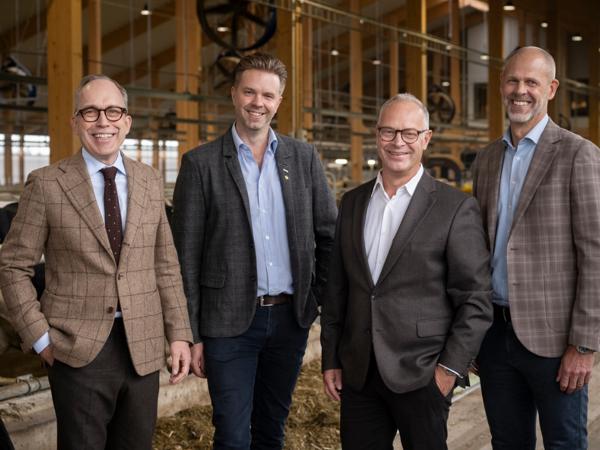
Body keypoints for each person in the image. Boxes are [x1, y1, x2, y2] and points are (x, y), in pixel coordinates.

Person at [0, 74, 192, 450]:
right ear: (75, 122)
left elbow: (166, 265)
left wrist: (180, 334)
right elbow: (13, 266)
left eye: (112, 111)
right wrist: (39, 337)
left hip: (143, 345)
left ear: (127, 121)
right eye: (90, 112)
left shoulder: (149, 181)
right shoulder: (47, 184)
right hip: (75, 349)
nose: (103, 121)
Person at [171, 52, 337, 450]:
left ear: (279, 101)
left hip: (290, 320)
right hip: (227, 324)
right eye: (249, 92)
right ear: (233, 94)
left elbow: (329, 236)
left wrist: (315, 298)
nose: (257, 102)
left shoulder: (303, 159)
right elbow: (185, 258)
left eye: (267, 95)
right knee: (231, 435)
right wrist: (192, 334)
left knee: (271, 430)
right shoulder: (201, 164)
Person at [321, 93, 493, 450]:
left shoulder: (454, 207)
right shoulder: (352, 202)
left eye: (409, 133)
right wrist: (332, 358)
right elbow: (338, 289)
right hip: (360, 373)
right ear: (377, 135)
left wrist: (448, 372)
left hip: (423, 373)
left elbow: (475, 300)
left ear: (426, 139)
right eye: (388, 131)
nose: (398, 142)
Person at [472, 46, 600, 450]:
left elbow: (595, 255)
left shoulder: (579, 154)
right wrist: (470, 332)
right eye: (513, 80)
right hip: (494, 335)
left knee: (565, 443)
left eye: (532, 82)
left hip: (555, 341)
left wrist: (583, 345)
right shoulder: (486, 160)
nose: (520, 90)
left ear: (551, 88)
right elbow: (477, 250)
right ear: (501, 85)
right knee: (507, 442)